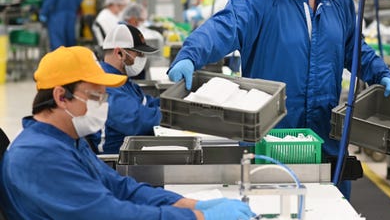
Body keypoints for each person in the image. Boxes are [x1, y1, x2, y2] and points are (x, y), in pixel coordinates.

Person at [168, 0, 390, 199]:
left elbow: (353, 47)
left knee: (331, 207)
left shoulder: (338, 0)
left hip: (324, 135)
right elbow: (225, 25)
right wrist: (191, 54)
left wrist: (379, 72)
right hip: (273, 136)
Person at [0, 45, 254, 220]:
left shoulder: (67, 141)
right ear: (60, 96)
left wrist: (193, 205)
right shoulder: (38, 156)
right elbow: (110, 214)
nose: (103, 105)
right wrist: (199, 217)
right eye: (95, 97)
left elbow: (122, 189)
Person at [92, 24, 161, 154]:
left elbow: (146, 102)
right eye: (139, 53)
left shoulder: (122, 80)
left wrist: (176, 105)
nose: (142, 59)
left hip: (130, 152)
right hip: (114, 159)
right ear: (119, 53)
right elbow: (135, 120)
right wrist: (173, 116)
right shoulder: (105, 84)